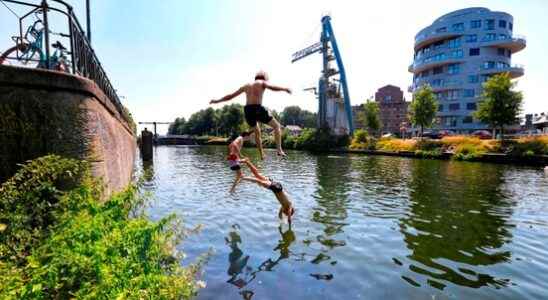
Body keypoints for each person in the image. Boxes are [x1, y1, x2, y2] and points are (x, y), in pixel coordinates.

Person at [210, 71, 291, 159]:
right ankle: (279, 150)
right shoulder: (262, 82)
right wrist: (284, 89)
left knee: (257, 132)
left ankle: (261, 154)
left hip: (248, 110)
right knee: (276, 126)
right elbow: (272, 87)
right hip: (257, 108)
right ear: (264, 78)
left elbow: (231, 96)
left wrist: (217, 101)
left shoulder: (246, 85)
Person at [241, 159, 295, 224]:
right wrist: (289, 222)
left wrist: (281, 222)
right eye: (286, 213)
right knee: (259, 181)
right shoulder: (290, 205)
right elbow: (289, 215)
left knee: (257, 175)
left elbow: (279, 214)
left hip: (276, 186)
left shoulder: (283, 206)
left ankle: (247, 162)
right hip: (277, 188)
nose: (285, 213)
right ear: (290, 211)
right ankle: (243, 177)